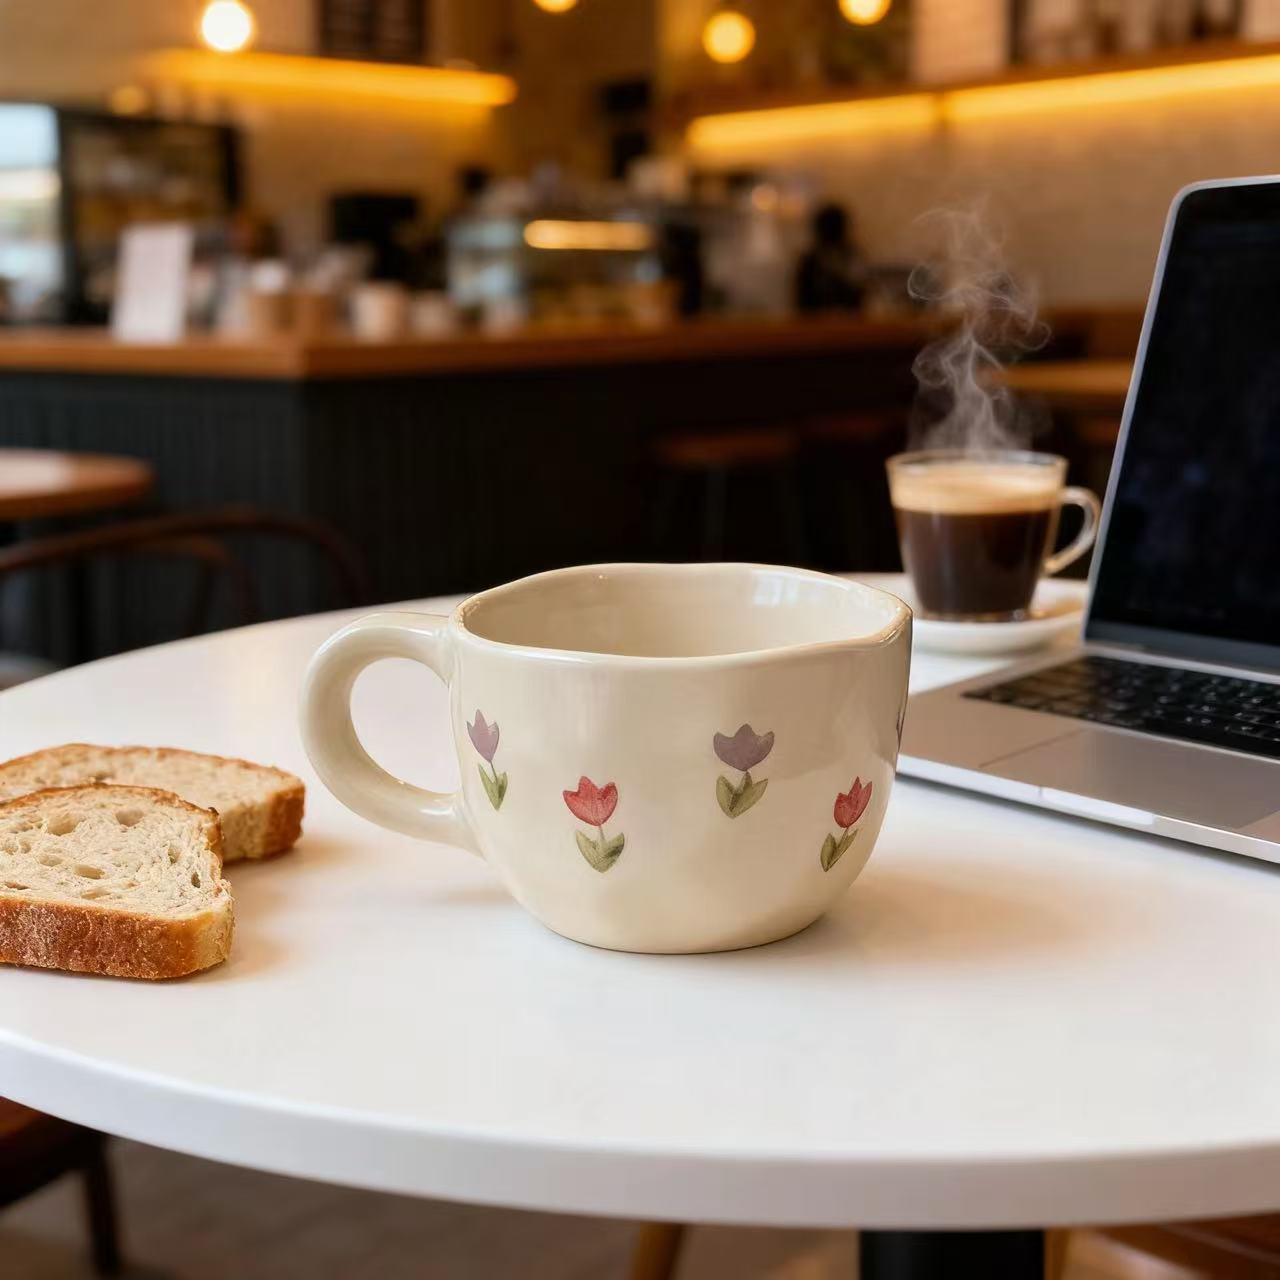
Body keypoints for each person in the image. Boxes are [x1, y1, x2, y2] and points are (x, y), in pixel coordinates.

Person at [795, 202, 866, 313]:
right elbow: (803, 297)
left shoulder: (852, 256)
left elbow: (859, 290)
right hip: (816, 321)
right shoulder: (810, 260)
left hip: (850, 320)